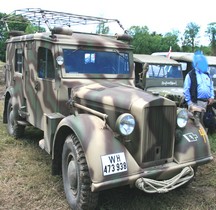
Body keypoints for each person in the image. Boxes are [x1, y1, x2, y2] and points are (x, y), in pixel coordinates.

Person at [183, 50, 215, 128]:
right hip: (195, 103)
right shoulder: (190, 75)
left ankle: (205, 139)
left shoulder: (207, 74)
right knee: (195, 125)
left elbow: (211, 87)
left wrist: (212, 97)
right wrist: (190, 103)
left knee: (205, 123)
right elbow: (186, 90)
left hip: (206, 103)